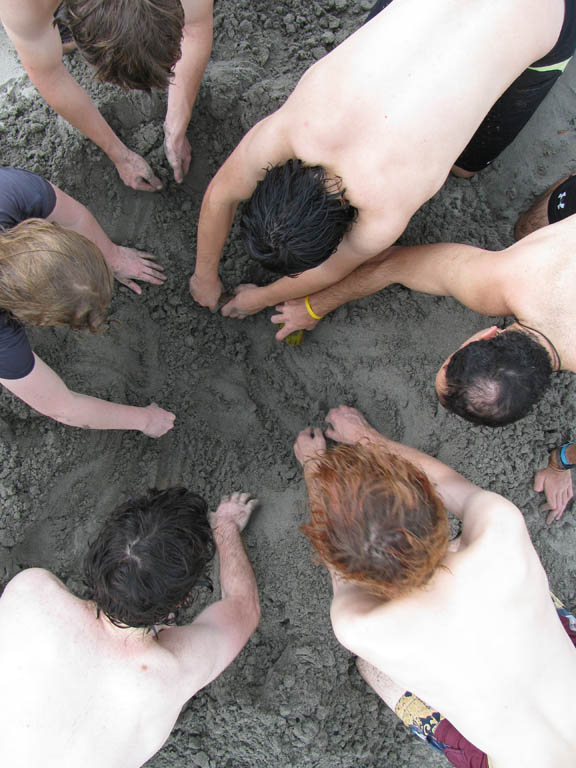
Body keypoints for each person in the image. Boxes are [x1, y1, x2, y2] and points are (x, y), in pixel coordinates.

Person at [190, 0, 575, 318]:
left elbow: (334, 268)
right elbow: (220, 196)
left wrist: (259, 296)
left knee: (465, 167)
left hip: (551, 13)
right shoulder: (290, 132)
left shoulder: (386, 208)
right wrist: (204, 276)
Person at [293, 405, 576, 768]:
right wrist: (365, 438)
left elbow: (340, 571)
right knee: (488, 564)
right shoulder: (500, 529)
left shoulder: (358, 625)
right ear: (431, 501)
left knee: (371, 668)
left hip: (497, 759)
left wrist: (315, 467)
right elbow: (447, 481)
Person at [0, 488, 260, 768]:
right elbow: (244, 606)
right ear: (184, 600)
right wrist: (226, 526)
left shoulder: (31, 591)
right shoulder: (170, 676)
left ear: (99, 550)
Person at [0, 167, 174, 436]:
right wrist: (145, 420)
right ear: (30, 315)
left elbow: (76, 217)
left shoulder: (11, 191)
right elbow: (62, 407)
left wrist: (113, 257)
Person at [1, 0, 214, 190]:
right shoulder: (22, 6)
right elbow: (50, 74)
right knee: (44, 38)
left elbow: (195, 28)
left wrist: (177, 122)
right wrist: (118, 154)